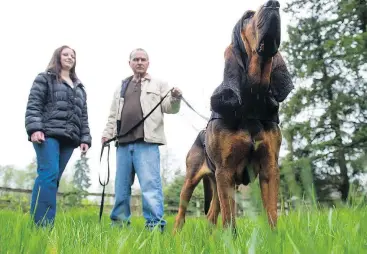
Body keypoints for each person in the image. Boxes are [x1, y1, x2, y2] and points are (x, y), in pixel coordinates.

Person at [101, 48, 182, 232]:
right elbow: (113, 114)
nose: (139, 62)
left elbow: (170, 108)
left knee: (150, 189)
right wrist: (107, 133)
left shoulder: (159, 84)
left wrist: (176, 97)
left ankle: (154, 228)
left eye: (143, 59)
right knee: (121, 189)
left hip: (147, 143)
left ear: (148, 63)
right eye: (136, 59)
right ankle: (119, 227)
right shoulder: (122, 86)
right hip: (122, 144)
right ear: (129, 63)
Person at [25, 45, 92, 227]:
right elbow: (34, 104)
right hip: (47, 135)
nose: (70, 57)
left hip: (69, 138)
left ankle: (39, 223)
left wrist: (85, 138)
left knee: (52, 180)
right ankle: (43, 226)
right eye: (66, 54)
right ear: (58, 57)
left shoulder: (79, 87)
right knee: (48, 175)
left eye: (72, 55)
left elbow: (83, 115)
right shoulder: (45, 78)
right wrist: (35, 129)